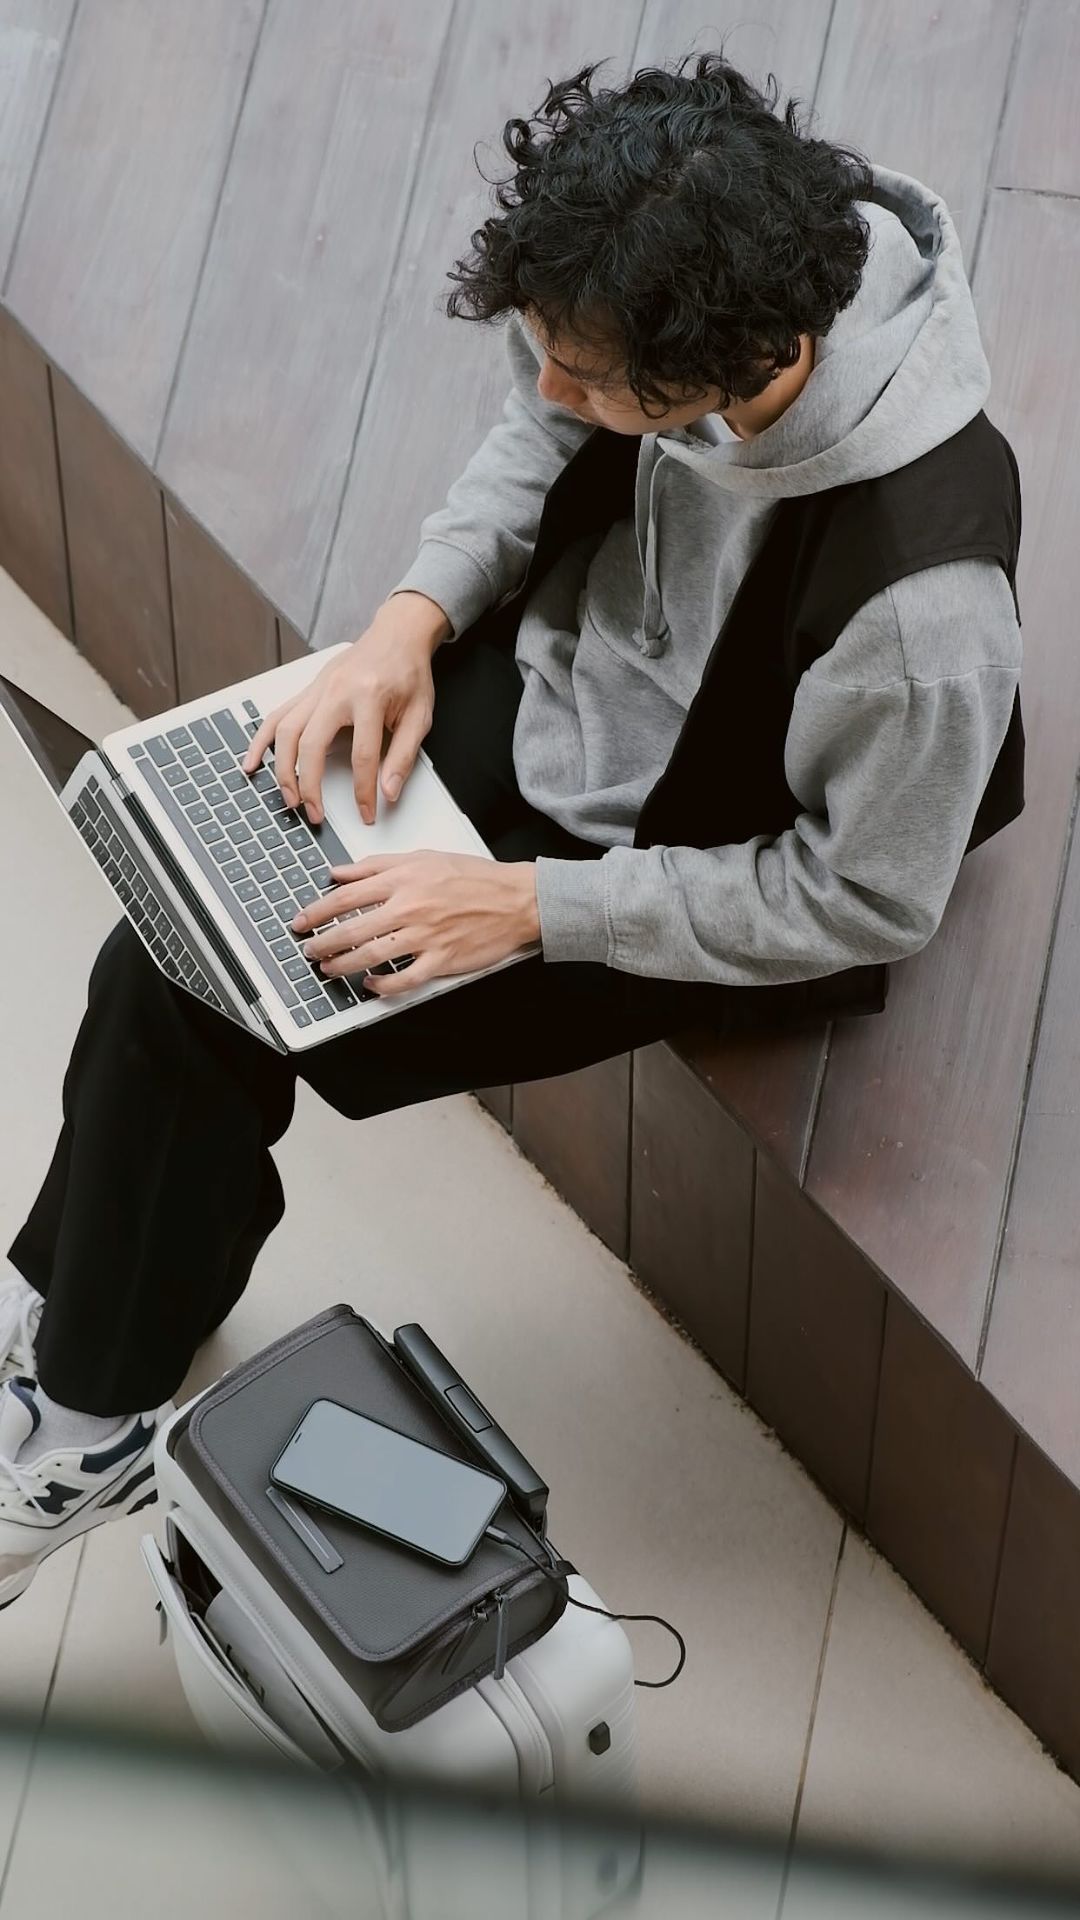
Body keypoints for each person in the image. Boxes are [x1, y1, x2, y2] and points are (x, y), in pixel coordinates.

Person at [0, 53, 1023, 1605]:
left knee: (201, 1001)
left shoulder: (922, 616)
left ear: (732, 365)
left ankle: (91, 1410)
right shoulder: (711, 279)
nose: (550, 392)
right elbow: (539, 438)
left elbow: (863, 900)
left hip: (675, 865)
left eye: (589, 376)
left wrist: (531, 908)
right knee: (183, 926)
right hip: (565, 702)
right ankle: (87, 1323)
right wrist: (411, 619)